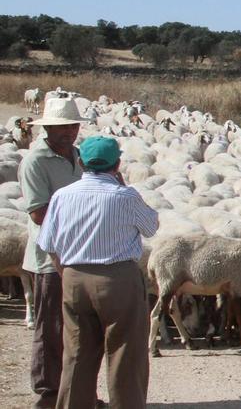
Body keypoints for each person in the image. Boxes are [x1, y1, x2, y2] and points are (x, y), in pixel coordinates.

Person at [37, 136, 159, 409]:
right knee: (125, 352)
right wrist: (123, 186)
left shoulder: (62, 196)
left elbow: (48, 243)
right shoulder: (125, 196)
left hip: (74, 278)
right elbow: (151, 227)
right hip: (118, 280)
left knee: (77, 352)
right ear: (117, 164)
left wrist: (67, 273)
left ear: (81, 163)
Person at [19, 98, 85, 409]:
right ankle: (48, 394)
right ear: (46, 127)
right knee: (51, 327)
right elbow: (38, 213)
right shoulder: (35, 162)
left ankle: (76, 394)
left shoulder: (79, 156)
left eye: (72, 125)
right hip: (50, 258)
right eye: (61, 126)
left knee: (79, 328)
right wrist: (87, 219)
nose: (68, 131)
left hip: (81, 255)